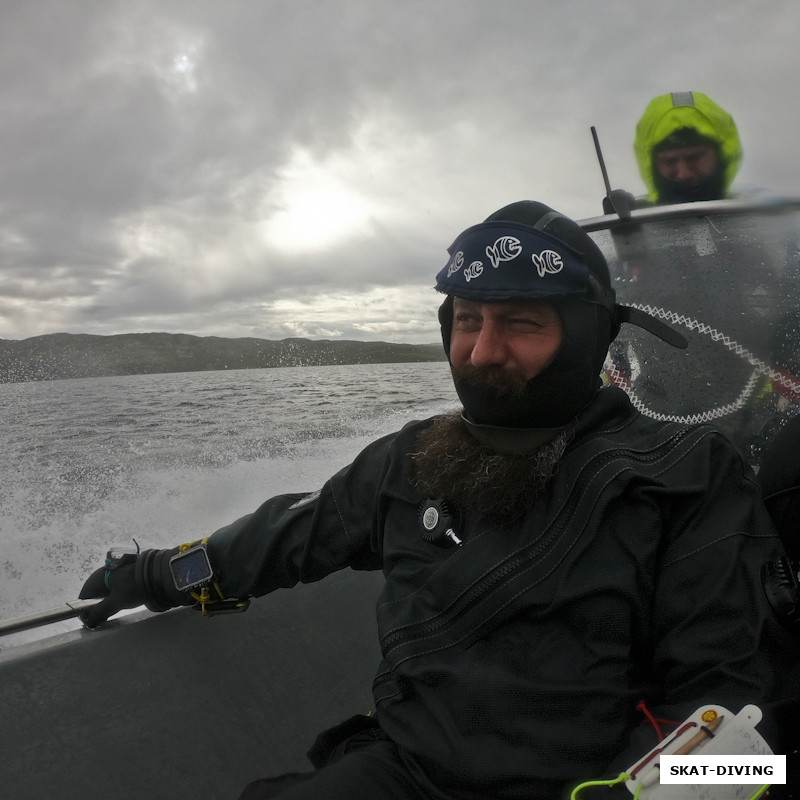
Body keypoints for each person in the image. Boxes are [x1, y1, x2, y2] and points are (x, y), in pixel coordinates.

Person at [79, 201, 799, 800]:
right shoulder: (411, 458)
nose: (483, 352)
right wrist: (159, 575)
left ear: (584, 337)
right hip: (407, 774)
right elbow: (289, 537)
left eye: (520, 323)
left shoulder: (692, 477)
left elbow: (745, 729)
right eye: (466, 321)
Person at [633, 90, 743, 205]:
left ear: (722, 156)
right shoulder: (635, 219)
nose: (684, 174)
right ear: (651, 166)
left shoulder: (754, 213)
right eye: (669, 161)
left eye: (694, 157)